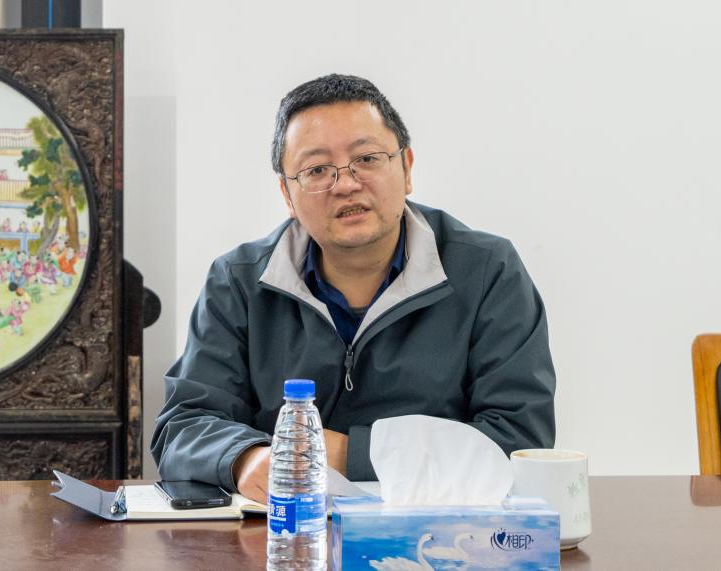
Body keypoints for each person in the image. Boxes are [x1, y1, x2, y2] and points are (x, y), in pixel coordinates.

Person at [152, 74, 555, 504]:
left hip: (437, 532)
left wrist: (349, 454)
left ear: (407, 167)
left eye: (367, 158)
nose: (346, 184)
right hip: (283, 526)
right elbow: (183, 424)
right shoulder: (239, 281)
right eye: (317, 170)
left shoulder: (487, 271)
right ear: (287, 194)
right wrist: (243, 458)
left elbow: (520, 439)